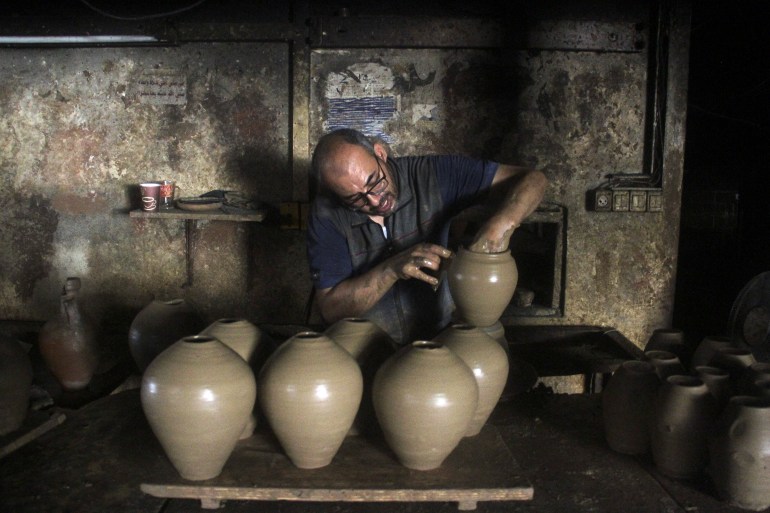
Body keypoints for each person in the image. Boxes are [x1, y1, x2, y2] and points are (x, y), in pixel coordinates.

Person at [307, 128, 548, 344]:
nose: (374, 200)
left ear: (380, 153)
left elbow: (533, 180)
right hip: (368, 349)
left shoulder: (431, 175)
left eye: (374, 182)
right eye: (355, 198)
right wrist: (391, 270)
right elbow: (331, 309)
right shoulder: (327, 215)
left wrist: (499, 227)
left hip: (438, 343)